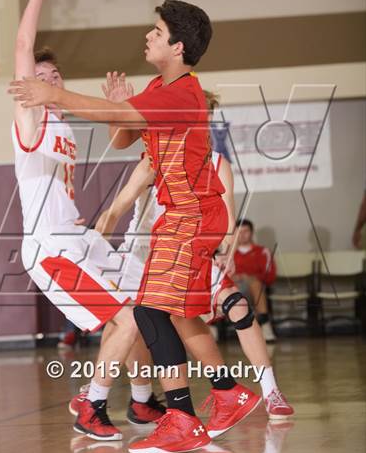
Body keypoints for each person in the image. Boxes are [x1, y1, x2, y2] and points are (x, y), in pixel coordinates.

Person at [9, 0, 261, 453]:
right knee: (176, 313)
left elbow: (119, 121)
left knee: (146, 312)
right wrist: (119, 106)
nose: (148, 35)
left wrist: (59, 97)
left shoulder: (182, 93)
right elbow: (124, 134)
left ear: (178, 46)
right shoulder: (161, 87)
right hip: (181, 216)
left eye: (157, 31)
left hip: (190, 214)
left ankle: (182, 415)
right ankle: (227, 393)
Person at [12, 0, 165, 441]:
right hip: (50, 248)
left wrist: (121, 111)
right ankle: (91, 404)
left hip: (76, 239)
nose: (50, 80)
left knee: (145, 306)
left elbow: (128, 141)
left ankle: (142, 404)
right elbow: (21, 45)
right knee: (122, 321)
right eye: (41, 76)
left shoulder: (64, 123)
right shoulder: (29, 121)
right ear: (26, 87)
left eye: (55, 76)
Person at [95, 87, 293, 421]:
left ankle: (270, 390)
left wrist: (223, 250)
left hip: (192, 253)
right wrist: (95, 244)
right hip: (143, 254)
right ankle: (132, 397)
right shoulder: (155, 158)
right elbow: (116, 209)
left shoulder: (217, 163)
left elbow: (228, 221)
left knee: (238, 306)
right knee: (129, 324)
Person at [232, 219, 277, 343]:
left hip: (255, 288)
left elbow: (270, 275)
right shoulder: (229, 253)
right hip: (234, 288)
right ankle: (212, 327)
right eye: (239, 232)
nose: (242, 235)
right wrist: (236, 277)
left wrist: (250, 277)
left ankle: (264, 323)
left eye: (245, 231)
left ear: (251, 233)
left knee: (255, 283)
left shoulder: (262, 251)